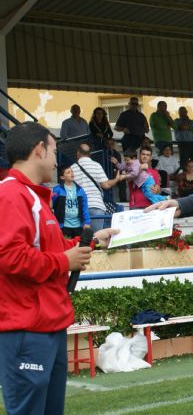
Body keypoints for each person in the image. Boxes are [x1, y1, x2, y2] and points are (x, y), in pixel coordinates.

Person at [0, 122, 117, 415]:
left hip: (48, 324)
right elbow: (10, 256)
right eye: (54, 151)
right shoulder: (12, 194)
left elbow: (51, 250)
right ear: (39, 150)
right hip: (26, 328)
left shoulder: (34, 196)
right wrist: (66, 261)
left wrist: (90, 243)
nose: (57, 161)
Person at [71, 143, 123, 231]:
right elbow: (106, 185)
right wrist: (116, 179)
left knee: (81, 239)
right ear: (90, 154)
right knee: (96, 238)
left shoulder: (72, 168)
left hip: (79, 207)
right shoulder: (96, 165)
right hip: (96, 206)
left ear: (78, 153)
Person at [52, 166, 91, 238]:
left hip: (78, 225)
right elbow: (51, 205)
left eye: (72, 171)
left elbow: (85, 207)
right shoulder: (57, 189)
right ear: (62, 177)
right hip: (63, 225)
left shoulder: (80, 189)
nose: (71, 173)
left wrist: (87, 222)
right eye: (68, 172)